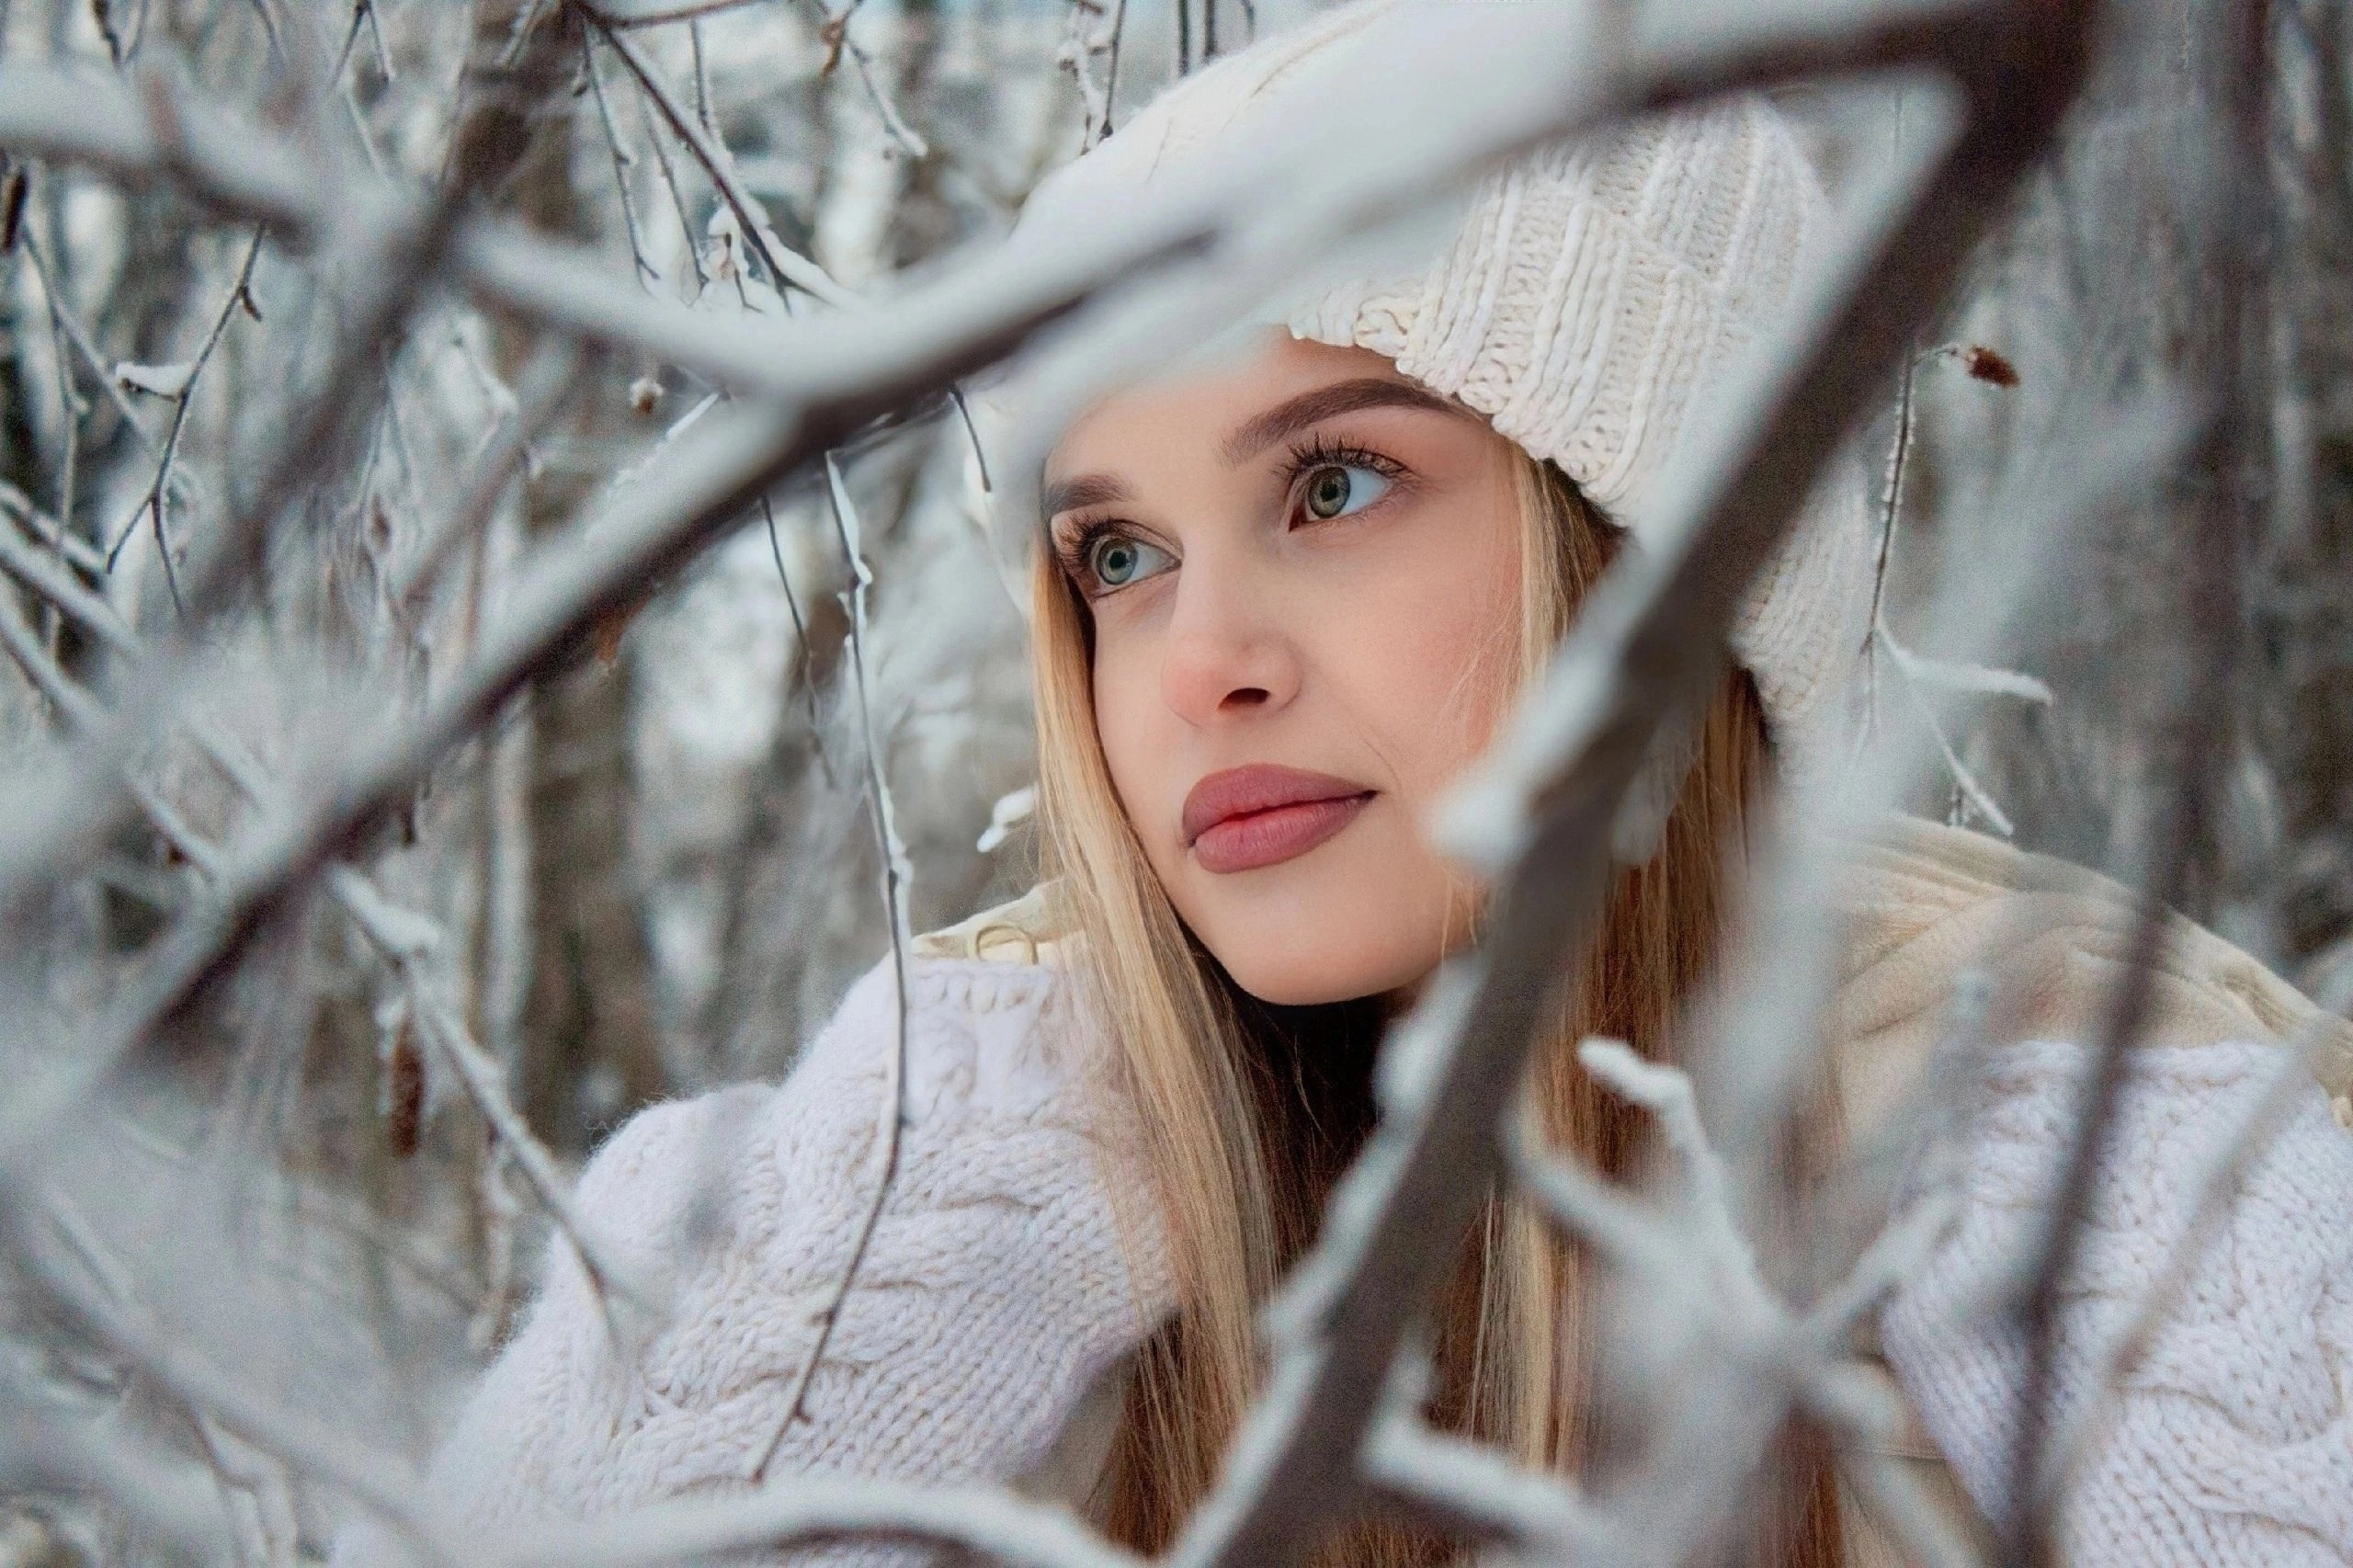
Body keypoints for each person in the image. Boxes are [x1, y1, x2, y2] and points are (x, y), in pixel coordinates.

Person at [334, 3, 2353, 1563]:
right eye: (1112, 554)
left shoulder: (2130, 1162)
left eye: (1334, 480)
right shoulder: (950, 1173)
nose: (1199, 659)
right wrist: (906, 1231)